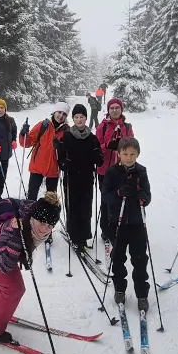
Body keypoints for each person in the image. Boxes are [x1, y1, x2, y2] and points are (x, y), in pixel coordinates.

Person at [0, 192, 61, 343]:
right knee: (13, 289)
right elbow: (4, 267)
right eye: (42, 223)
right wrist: (17, 246)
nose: (45, 229)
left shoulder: (33, 212)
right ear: (34, 218)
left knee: (11, 285)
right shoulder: (14, 231)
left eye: (50, 226)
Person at [101, 137, 151, 311]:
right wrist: (118, 193)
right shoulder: (112, 172)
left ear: (137, 154)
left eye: (132, 154)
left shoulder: (141, 171)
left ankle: (142, 294)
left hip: (137, 223)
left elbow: (148, 197)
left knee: (140, 259)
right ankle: (119, 289)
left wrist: (143, 197)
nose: (129, 157)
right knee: (118, 258)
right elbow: (105, 196)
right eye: (125, 154)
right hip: (118, 222)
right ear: (119, 154)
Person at [56, 103, 104, 252]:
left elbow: (100, 159)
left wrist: (97, 156)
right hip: (71, 178)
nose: (79, 119)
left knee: (85, 208)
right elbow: (61, 159)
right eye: (76, 117)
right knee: (73, 207)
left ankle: (83, 236)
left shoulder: (92, 137)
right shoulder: (67, 136)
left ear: (86, 118)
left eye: (82, 116)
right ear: (73, 119)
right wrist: (64, 162)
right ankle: (74, 236)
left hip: (87, 178)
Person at [95, 97, 134, 241]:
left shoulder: (127, 127)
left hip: (122, 170)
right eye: (112, 108)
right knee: (106, 200)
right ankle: (106, 230)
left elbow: (132, 148)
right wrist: (108, 146)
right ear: (108, 110)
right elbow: (96, 147)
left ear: (121, 109)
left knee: (120, 199)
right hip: (104, 170)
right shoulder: (103, 126)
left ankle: (118, 228)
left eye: (117, 107)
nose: (115, 110)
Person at [21, 102, 69, 200]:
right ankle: (29, 214)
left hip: (53, 168)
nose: (61, 116)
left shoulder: (66, 131)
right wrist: (23, 134)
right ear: (54, 112)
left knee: (51, 199)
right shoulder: (43, 125)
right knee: (32, 196)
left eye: (64, 114)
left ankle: (49, 215)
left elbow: (67, 150)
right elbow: (27, 143)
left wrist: (61, 148)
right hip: (37, 166)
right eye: (59, 112)